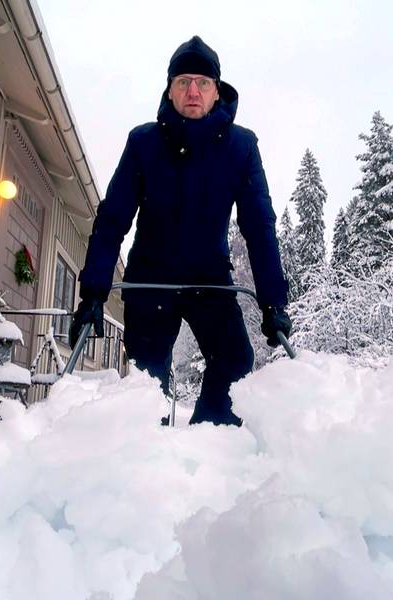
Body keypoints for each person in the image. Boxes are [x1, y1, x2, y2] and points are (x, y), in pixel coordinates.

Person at [70, 35, 291, 426]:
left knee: (236, 361)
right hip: (150, 281)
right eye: (183, 81)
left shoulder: (241, 147)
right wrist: (93, 292)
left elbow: (259, 225)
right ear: (169, 89)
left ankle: (206, 443)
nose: (193, 91)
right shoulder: (144, 143)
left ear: (216, 91)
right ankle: (146, 453)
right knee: (147, 381)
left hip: (210, 282)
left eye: (203, 83)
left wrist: (273, 302)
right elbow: (113, 218)